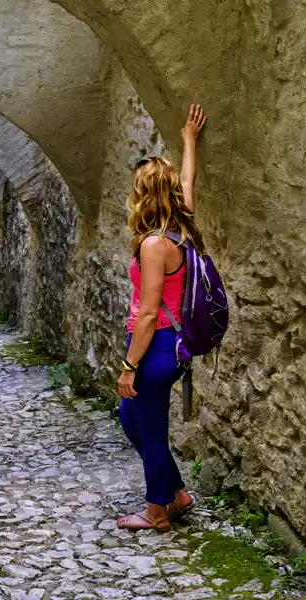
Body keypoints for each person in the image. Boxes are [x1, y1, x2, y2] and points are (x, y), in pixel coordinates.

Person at [116, 104, 207, 532]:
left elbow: (149, 312)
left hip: (158, 345)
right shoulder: (182, 226)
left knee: (149, 427)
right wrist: (188, 140)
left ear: (143, 194)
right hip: (170, 345)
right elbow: (188, 182)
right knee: (131, 417)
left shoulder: (155, 244)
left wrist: (129, 365)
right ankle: (178, 493)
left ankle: (157, 513)